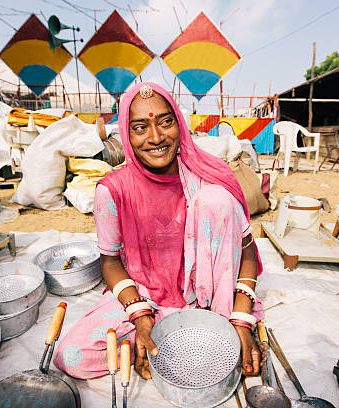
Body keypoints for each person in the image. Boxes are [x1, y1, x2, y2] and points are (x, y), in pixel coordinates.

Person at [54, 82, 263, 380]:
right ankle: (157, 341)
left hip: (209, 298)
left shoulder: (207, 177)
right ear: (126, 135)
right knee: (71, 357)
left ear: (179, 122)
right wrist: (139, 316)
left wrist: (241, 320)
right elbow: (110, 262)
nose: (155, 137)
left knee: (216, 200)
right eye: (140, 128)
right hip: (145, 296)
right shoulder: (112, 192)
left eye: (165, 122)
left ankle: (200, 328)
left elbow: (247, 251)